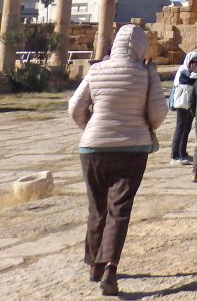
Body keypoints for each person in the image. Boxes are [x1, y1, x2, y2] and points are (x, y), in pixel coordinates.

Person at [68, 24, 166, 296]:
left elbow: (74, 107)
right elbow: (158, 114)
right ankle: (110, 268)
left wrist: (90, 128)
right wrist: (141, 126)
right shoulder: (146, 74)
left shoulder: (96, 69)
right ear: (140, 47)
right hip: (131, 149)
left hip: (92, 149)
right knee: (119, 210)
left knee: (96, 207)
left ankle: (93, 265)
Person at [169, 51, 197, 164]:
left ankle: (183, 153)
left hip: (190, 104)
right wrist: (195, 75)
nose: (195, 65)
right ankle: (174, 155)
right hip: (182, 103)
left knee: (187, 128)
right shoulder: (182, 71)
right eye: (193, 62)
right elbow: (188, 81)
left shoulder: (194, 72)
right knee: (180, 128)